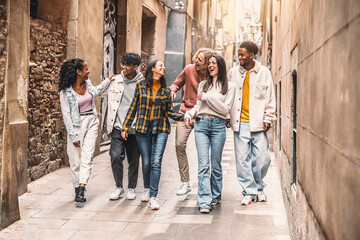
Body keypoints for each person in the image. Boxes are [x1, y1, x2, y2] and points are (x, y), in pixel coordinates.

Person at [121, 60, 183, 210]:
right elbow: (134, 106)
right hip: (142, 129)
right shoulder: (141, 86)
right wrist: (125, 126)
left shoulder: (166, 91)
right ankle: (147, 188)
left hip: (161, 129)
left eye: (163, 66)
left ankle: (153, 197)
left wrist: (184, 116)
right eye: (160, 66)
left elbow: (168, 112)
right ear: (153, 69)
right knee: (147, 162)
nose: (164, 67)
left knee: (156, 162)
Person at [185, 53, 236, 213]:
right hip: (201, 125)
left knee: (215, 165)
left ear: (220, 65)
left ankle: (215, 195)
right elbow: (198, 106)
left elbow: (225, 110)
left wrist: (207, 98)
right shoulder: (202, 85)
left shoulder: (230, 87)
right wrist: (188, 113)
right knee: (203, 165)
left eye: (214, 63)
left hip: (218, 126)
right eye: (210, 63)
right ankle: (204, 201)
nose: (211, 65)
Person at [227, 41, 276, 206]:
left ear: (251, 55)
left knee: (263, 159)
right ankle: (250, 192)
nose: (239, 57)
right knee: (242, 160)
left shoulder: (264, 72)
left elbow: (270, 97)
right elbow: (227, 95)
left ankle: (258, 187)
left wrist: (268, 118)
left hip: (257, 122)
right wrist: (227, 115)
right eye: (238, 54)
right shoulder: (233, 72)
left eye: (242, 54)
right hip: (239, 122)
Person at [59, 58, 114, 203]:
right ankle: (77, 187)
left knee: (87, 157)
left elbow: (95, 92)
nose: (88, 71)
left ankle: (82, 188)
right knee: (75, 161)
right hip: (76, 125)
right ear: (78, 72)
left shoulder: (88, 84)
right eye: (86, 69)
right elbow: (66, 116)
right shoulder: (65, 92)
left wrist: (108, 80)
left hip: (91, 121)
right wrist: (73, 135)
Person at [170, 48, 213, 196]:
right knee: (179, 144)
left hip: (204, 115)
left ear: (207, 63)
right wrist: (172, 90)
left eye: (200, 60)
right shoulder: (189, 69)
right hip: (185, 113)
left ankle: (206, 182)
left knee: (205, 152)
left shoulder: (213, 75)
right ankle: (185, 182)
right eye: (196, 58)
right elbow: (177, 83)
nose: (196, 61)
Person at [105, 53, 143, 201]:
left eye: (127, 65)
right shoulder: (116, 80)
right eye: (123, 63)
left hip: (134, 128)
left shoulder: (143, 83)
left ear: (135, 67)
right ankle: (118, 186)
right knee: (115, 156)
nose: (123, 67)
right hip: (117, 126)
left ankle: (131, 188)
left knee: (133, 160)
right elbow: (99, 92)